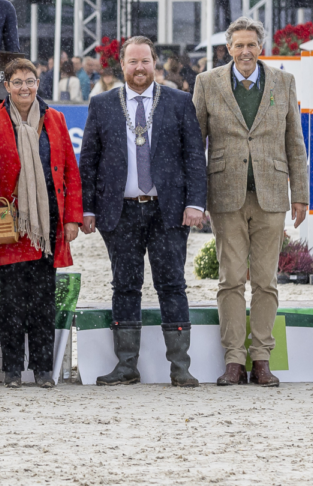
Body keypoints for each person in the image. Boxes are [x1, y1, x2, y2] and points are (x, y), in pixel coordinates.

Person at [79, 36, 207, 387]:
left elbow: (194, 156)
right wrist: (87, 208)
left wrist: (196, 203)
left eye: (145, 61)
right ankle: (126, 365)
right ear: (121, 65)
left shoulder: (179, 102)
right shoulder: (102, 104)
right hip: (119, 213)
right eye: (132, 62)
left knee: (172, 285)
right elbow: (88, 162)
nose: (139, 68)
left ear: (156, 63)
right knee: (124, 285)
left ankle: (180, 367)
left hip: (168, 212)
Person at [193, 16, 309, 386]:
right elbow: (196, 145)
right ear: (228, 48)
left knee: (265, 281)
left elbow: (295, 143)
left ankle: (261, 359)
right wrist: (196, 198)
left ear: (262, 47)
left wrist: (300, 195)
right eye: (238, 45)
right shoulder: (207, 83)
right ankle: (233, 360)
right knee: (229, 280)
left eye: (251, 44)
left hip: (272, 194)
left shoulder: (284, 82)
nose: (245, 51)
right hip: (224, 194)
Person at [0, 58, 83, 388]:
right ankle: (12, 371)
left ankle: (44, 370)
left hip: (46, 224)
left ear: (38, 83)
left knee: (43, 300)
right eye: (17, 82)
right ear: (6, 86)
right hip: (8, 224)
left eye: (30, 81)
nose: (24, 87)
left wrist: (73, 218)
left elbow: (71, 172)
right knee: (11, 300)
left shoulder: (55, 118)